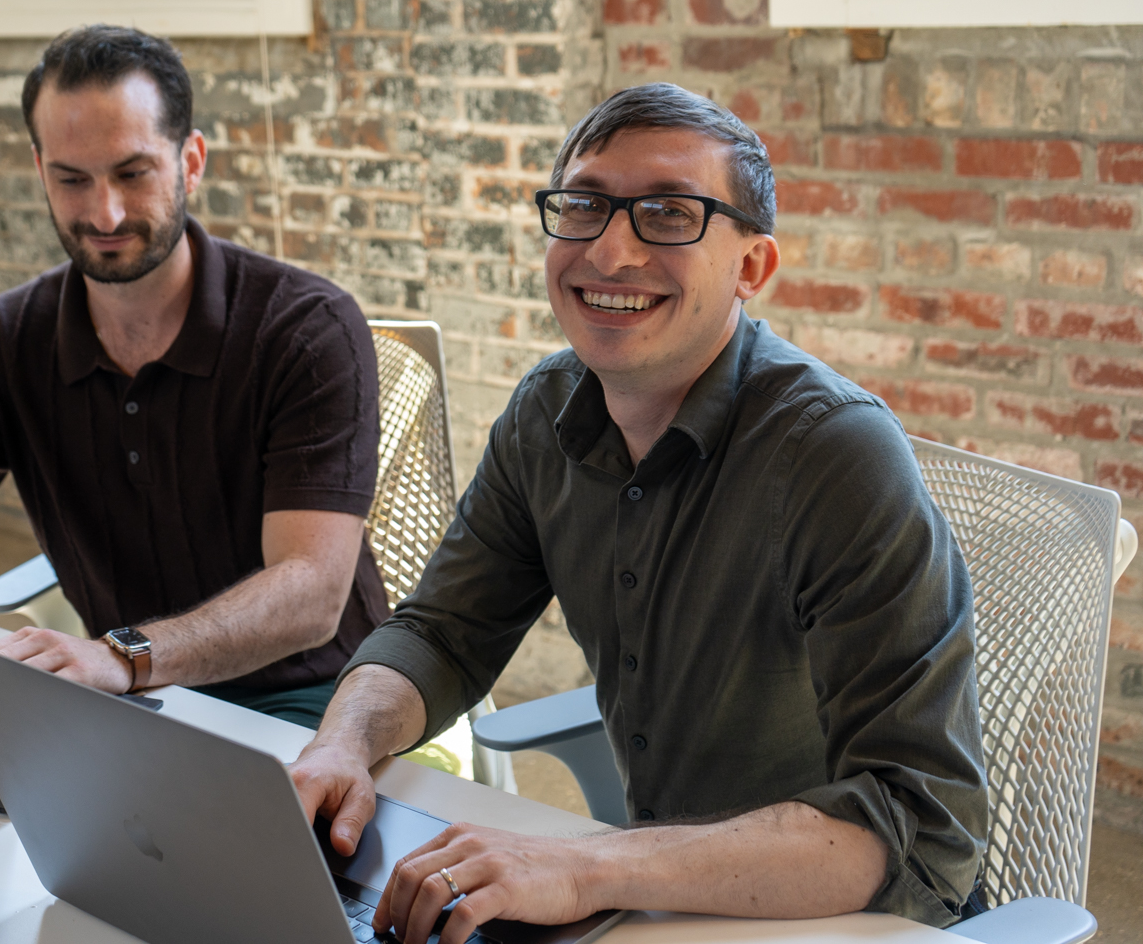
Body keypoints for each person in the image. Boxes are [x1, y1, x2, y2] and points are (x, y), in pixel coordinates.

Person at [289, 82, 987, 942]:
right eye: (584, 206)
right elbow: (440, 635)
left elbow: (920, 826)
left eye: (667, 214)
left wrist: (588, 865)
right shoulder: (546, 411)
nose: (610, 251)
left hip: (843, 919)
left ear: (752, 267)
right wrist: (342, 743)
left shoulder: (833, 454)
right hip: (661, 903)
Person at [0, 25, 387, 727]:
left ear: (191, 161)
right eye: (72, 179)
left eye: (132, 173)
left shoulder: (308, 328)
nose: (105, 213)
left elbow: (311, 594)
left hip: (316, 700)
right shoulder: (4, 340)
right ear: (40, 171)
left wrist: (124, 655)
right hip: (131, 703)